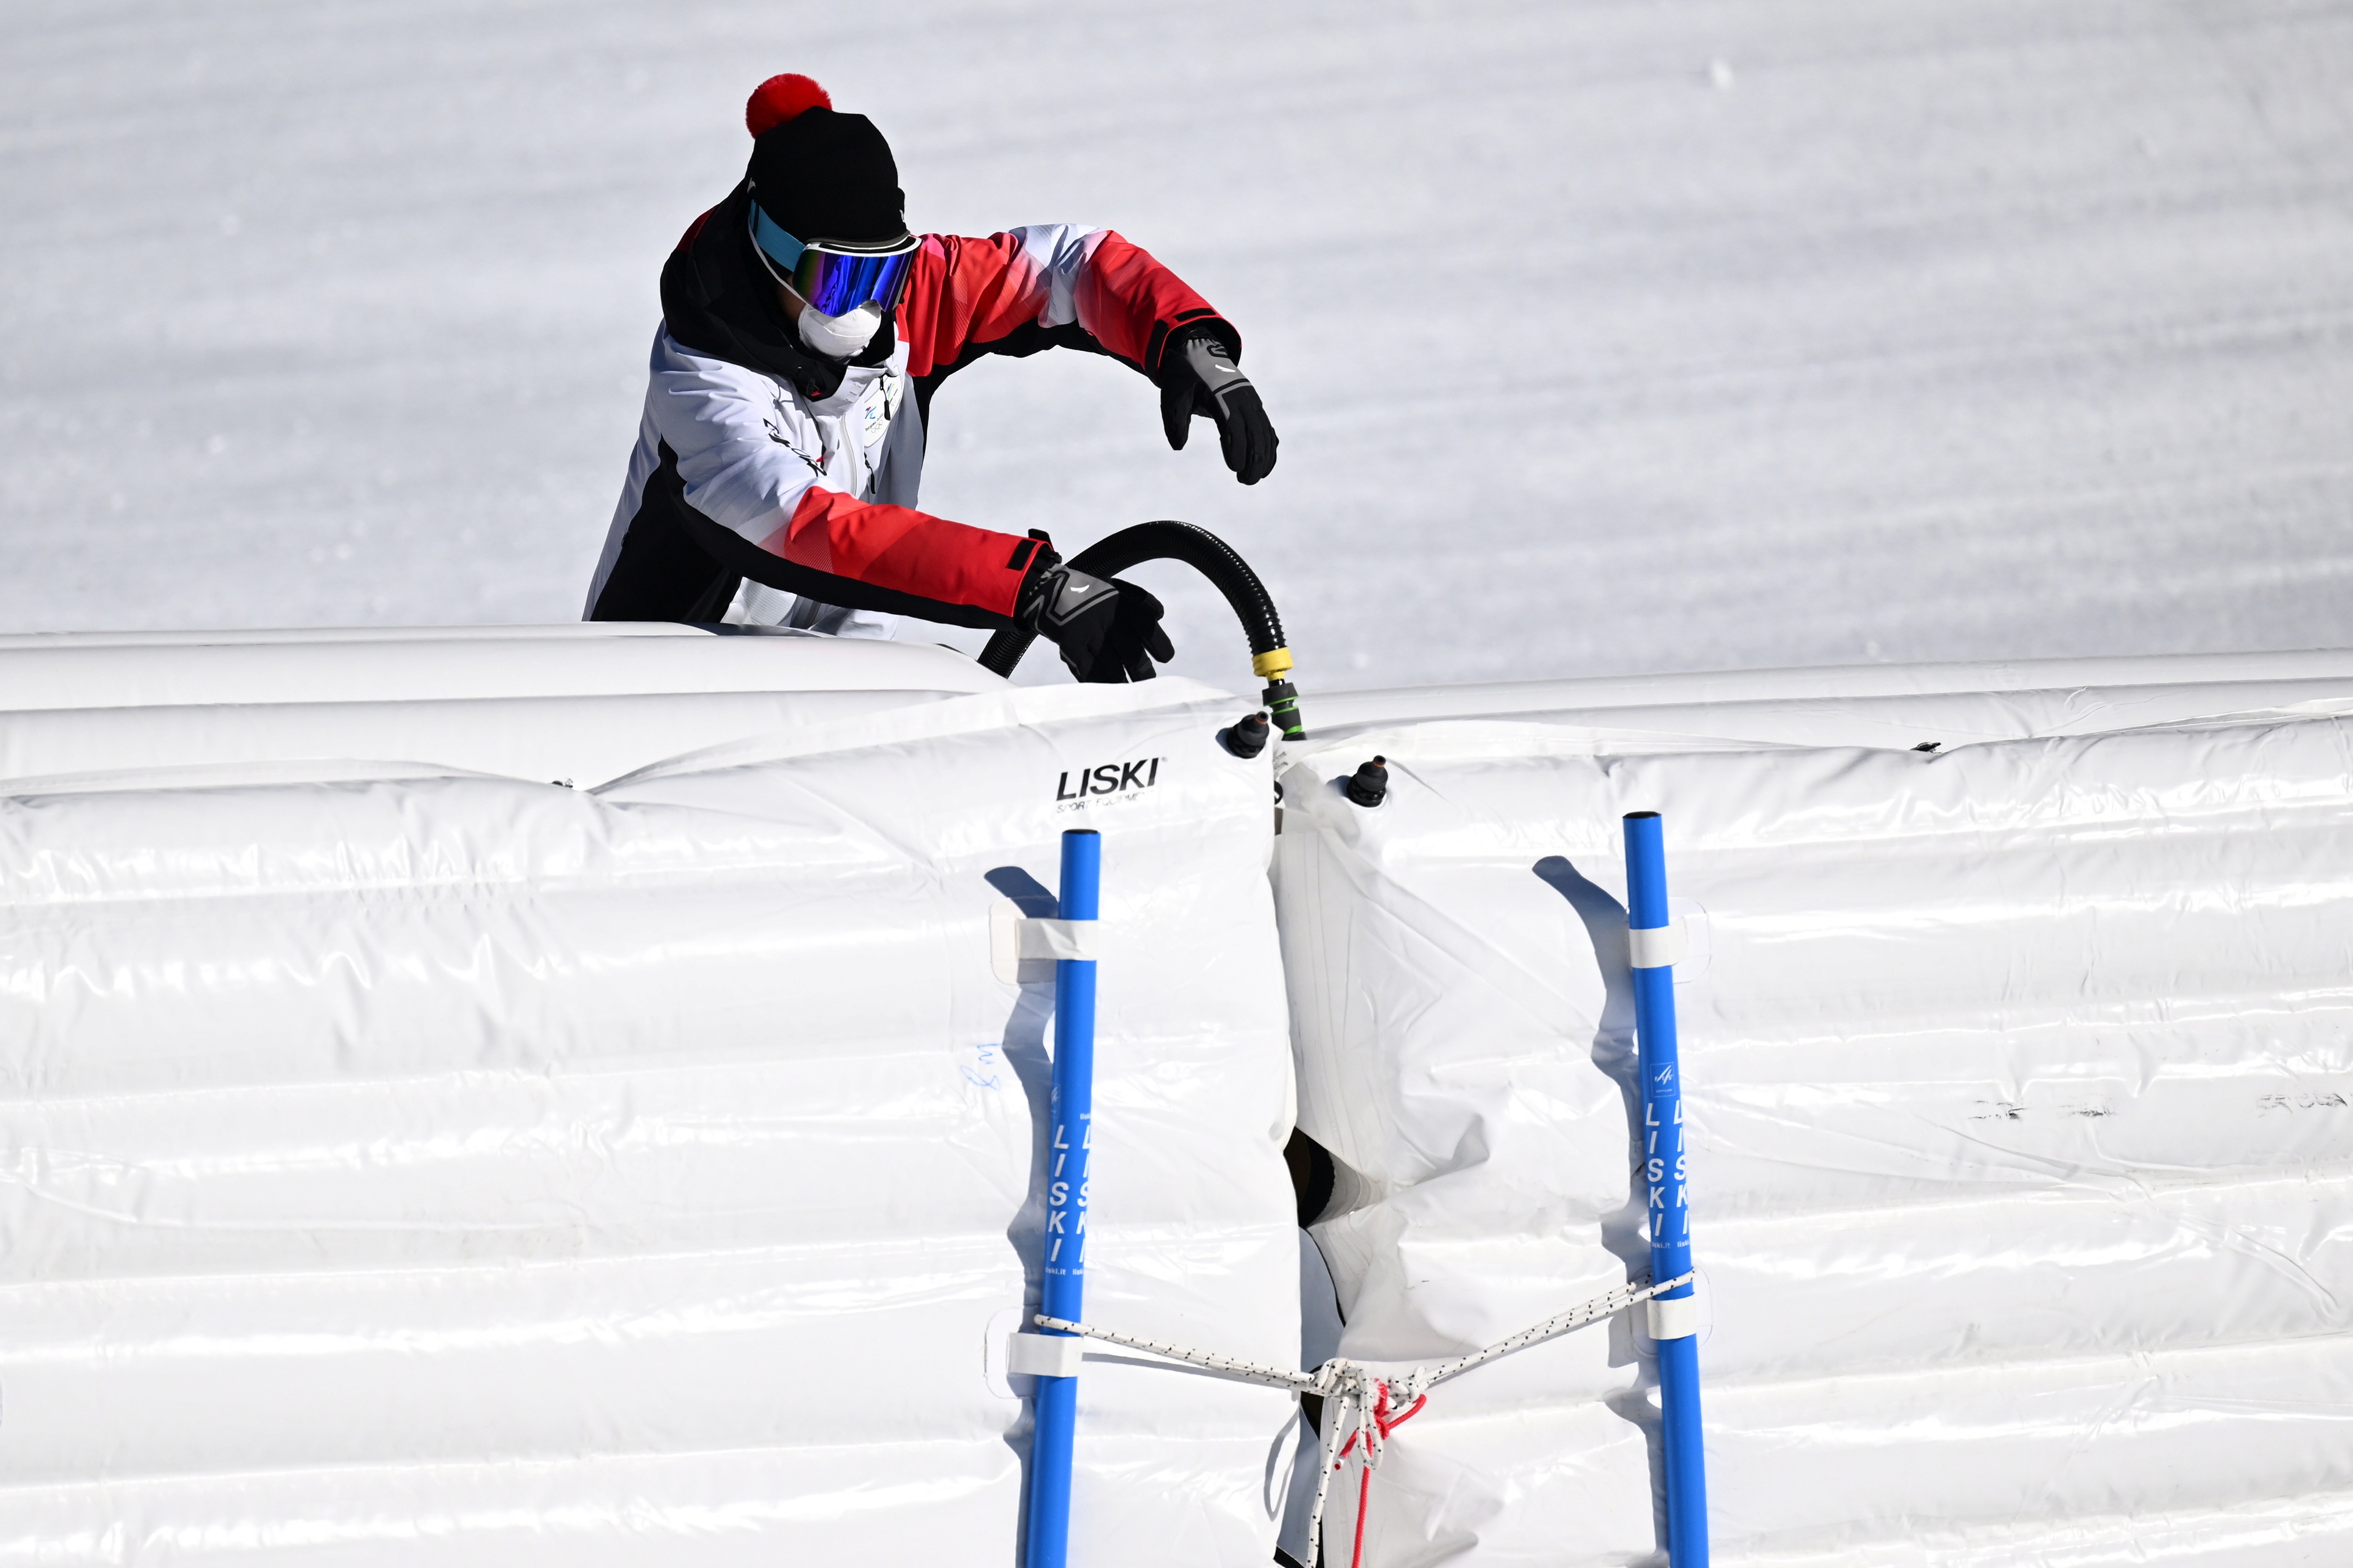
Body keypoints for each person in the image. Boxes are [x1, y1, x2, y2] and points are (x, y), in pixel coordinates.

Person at [584, 73, 1278, 682]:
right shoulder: (703, 385)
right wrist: (1034, 586)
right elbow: (808, 529)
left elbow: (1072, 264)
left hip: (836, 688)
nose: (864, 305)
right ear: (772, 254)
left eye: (882, 269)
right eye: (839, 277)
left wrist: (1187, 338)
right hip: (663, 699)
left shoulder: (908, 302)